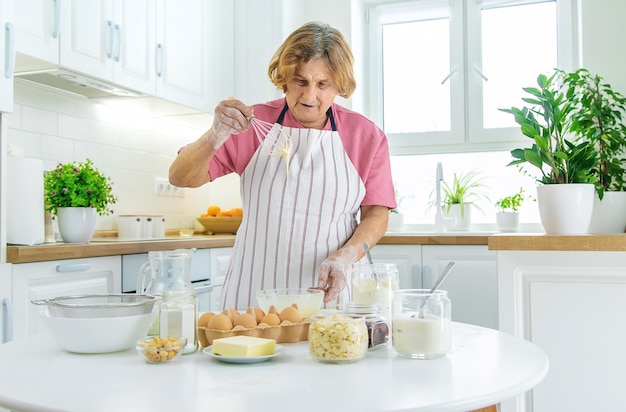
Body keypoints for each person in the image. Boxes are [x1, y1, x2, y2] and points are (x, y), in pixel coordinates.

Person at [169, 21, 396, 309]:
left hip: (328, 297)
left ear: (340, 84)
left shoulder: (366, 136)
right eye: (300, 81)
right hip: (252, 296)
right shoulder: (252, 123)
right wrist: (215, 135)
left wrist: (347, 256)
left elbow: (376, 213)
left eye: (323, 84)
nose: (309, 95)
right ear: (285, 77)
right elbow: (180, 177)